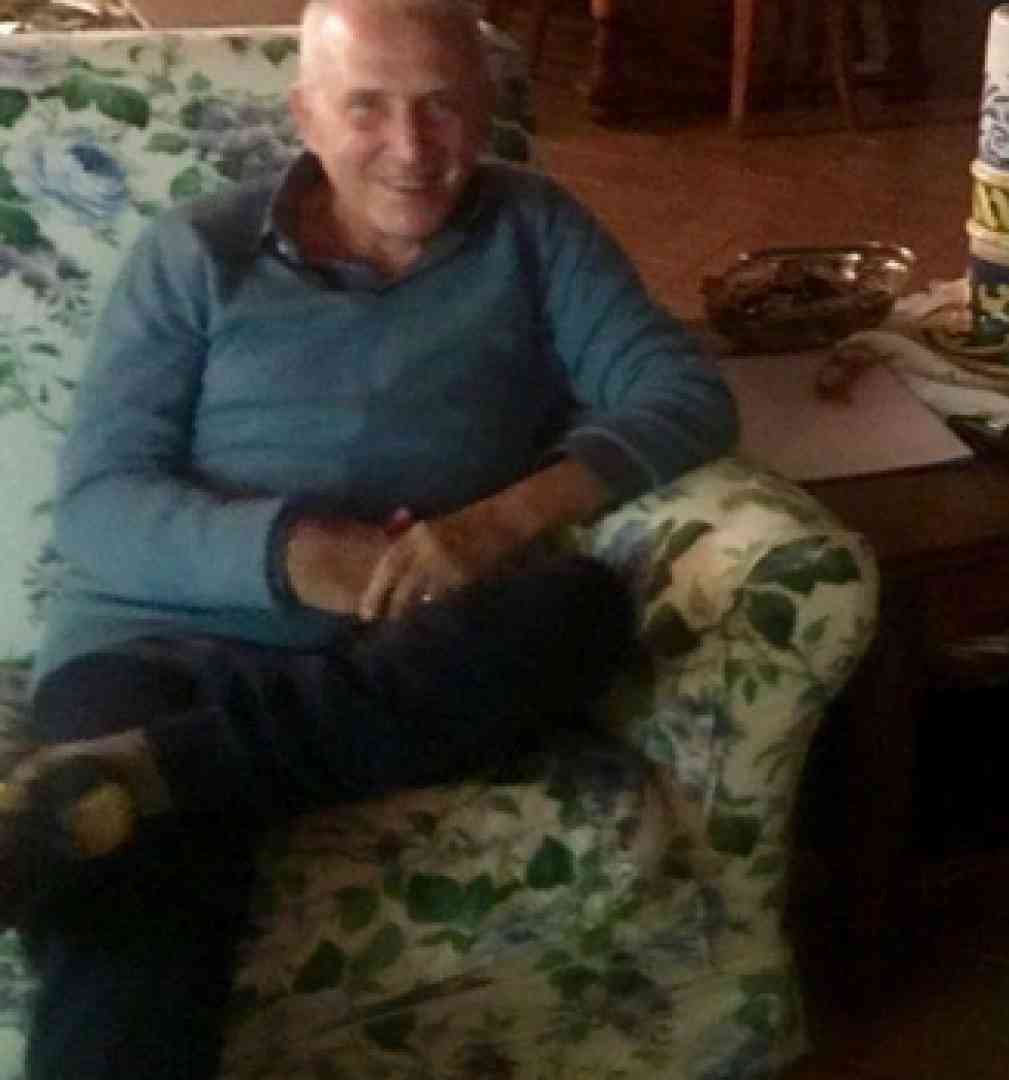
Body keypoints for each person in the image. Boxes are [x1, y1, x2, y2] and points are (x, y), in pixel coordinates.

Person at [0, 0, 737, 1076]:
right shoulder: (194, 254)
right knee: (131, 908)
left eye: (442, 106)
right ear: (304, 116)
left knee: (577, 609)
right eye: (367, 108)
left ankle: (157, 775)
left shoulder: (536, 230)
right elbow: (101, 505)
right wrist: (298, 557)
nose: (411, 147)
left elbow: (684, 394)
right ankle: (147, 779)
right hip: (153, 651)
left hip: (402, 646)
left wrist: (493, 524)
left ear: (484, 106)